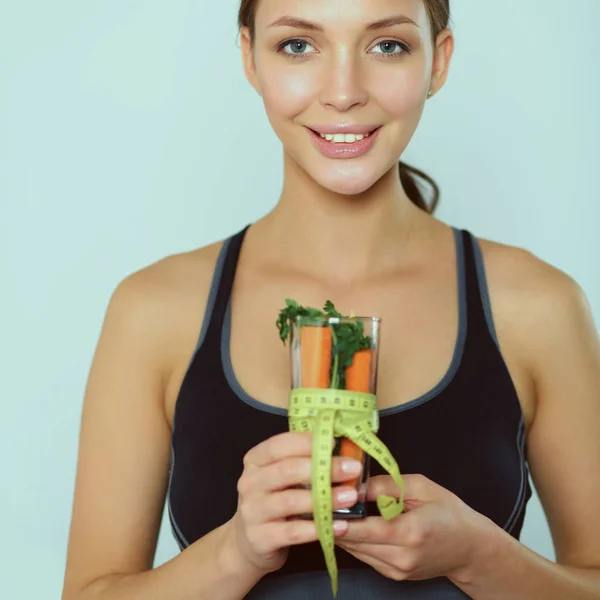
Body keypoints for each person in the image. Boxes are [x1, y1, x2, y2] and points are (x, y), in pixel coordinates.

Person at [61, 1, 600, 598]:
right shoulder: (155, 311)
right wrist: (235, 552)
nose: (343, 93)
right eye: (298, 46)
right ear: (250, 59)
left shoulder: (536, 306)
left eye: (387, 46)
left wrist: (481, 556)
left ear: (438, 62)